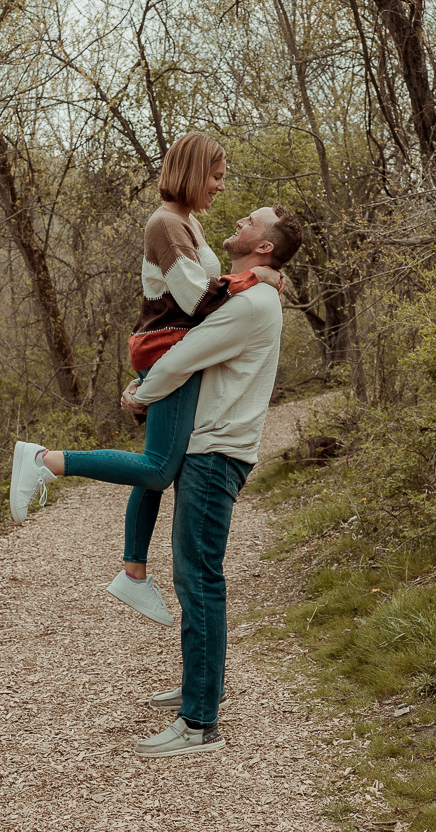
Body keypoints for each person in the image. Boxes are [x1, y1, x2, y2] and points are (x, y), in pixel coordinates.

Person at [8, 132, 282, 626]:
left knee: (160, 465)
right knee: (158, 467)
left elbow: (203, 298)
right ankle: (44, 460)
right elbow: (198, 300)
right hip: (166, 346)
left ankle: (133, 573)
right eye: (216, 177)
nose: (220, 187)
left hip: (174, 347)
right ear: (196, 172)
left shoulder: (187, 223)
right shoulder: (165, 226)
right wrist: (256, 278)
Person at [120, 204, 304, 757]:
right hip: (218, 449)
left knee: (198, 582)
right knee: (198, 579)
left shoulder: (251, 304)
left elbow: (183, 354)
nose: (241, 220)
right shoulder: (255, 291)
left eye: (252, 220)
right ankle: (199, 688)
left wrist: (139, 395)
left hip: (215, 453)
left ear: (265, 245)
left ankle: (199, 723)